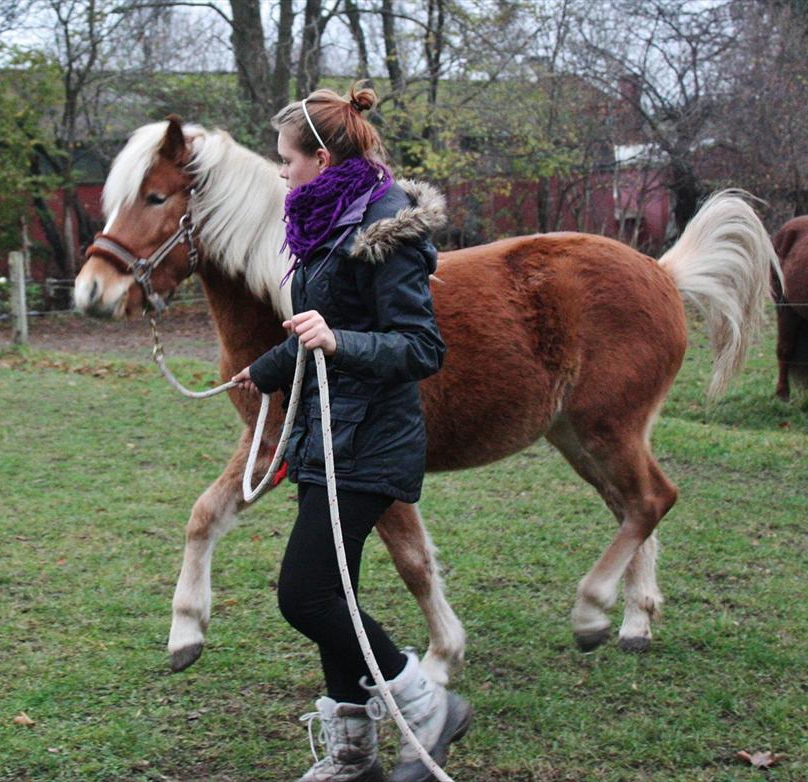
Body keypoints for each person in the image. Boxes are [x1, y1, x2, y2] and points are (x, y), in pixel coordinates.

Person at [231, 83, 471, 782]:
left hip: (369, 442)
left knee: (303, 596)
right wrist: (268, 366)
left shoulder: (383, 231)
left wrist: (337, 343)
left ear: (325, 157)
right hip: (326, 438)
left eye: (288, 159)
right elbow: (325, 318)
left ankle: (426, 705)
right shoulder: (325, 221)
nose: (282, 171)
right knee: (334, 592)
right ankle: (354, 753)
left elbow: (419, 348)